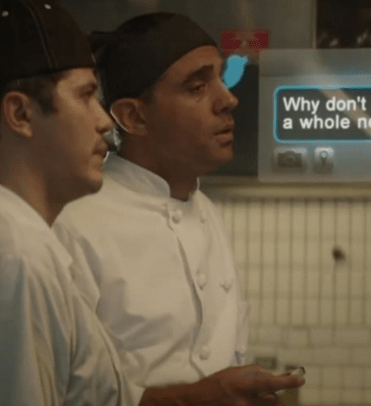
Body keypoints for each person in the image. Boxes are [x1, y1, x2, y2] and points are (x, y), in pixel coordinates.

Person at [51, 11, 299, 398]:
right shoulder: (74, 225)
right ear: (134, 117)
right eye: (197, 87)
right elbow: (61, 390)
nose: (228, 99)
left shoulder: (207, 213)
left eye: (221, 78)